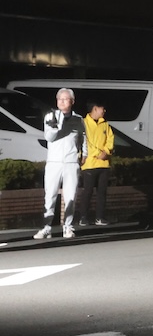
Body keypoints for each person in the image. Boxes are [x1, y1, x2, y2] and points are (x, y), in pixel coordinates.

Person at [35, 87, 87, 240]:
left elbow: (83, 138)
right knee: (50, 195)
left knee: (70, 196)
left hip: (71, 162)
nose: (62, 102)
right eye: (60, 99)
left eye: (65, 99)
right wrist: (56, 126)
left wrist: (84, 154)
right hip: (54, 162)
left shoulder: (78, 119)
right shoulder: (50, 116)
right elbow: (49, 137)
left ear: (72, 101)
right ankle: (46, 228)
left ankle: (68, 227)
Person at [77, 99, 115, 228]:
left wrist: (106, 151)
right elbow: (82, 141)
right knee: (87, 191)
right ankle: (83, 217)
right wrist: (97, 153)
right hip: (89, 164)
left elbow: (110, 139)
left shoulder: (105, 124)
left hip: (104, 164)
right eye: (102, 108)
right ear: (95, 109)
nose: (104, 111)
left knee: (102, 192)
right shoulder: (83, 123)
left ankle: (100, 217)